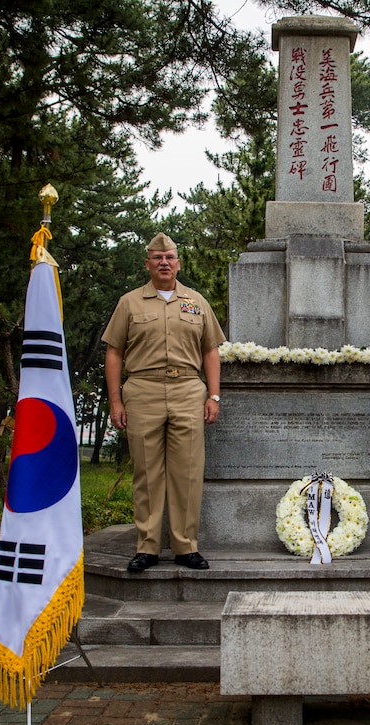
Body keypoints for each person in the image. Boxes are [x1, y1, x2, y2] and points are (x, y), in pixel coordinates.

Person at [102, 233, 225, 572]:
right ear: (148, 264)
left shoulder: (196, 302)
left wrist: (213, 395)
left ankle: (186, 547)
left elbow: (210, 350)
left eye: (170, 257)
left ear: (178, 262)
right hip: (143, 388)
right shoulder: (130, 303)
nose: (164, 263)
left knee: (187, 472)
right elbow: (114, 352)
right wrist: (116, 401)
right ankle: (148, 547)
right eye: (157, 258)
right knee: (147, 473)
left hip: (187, 388)